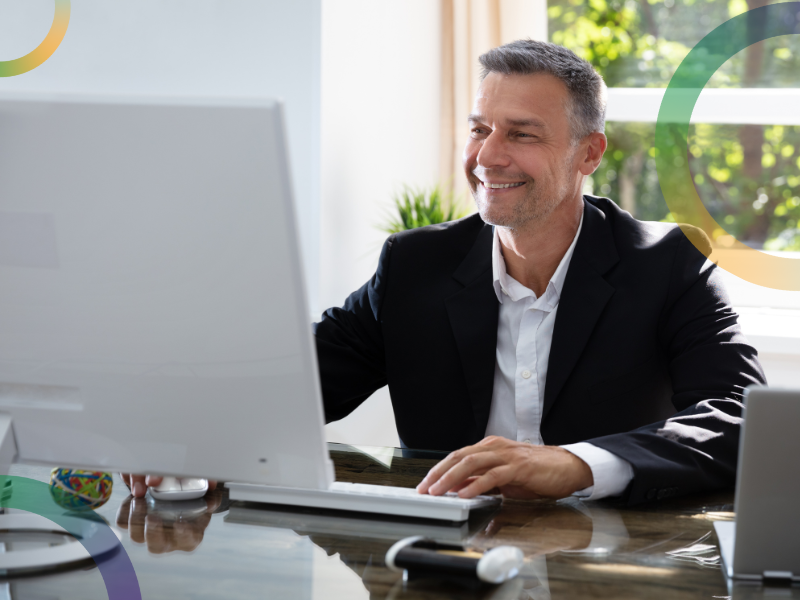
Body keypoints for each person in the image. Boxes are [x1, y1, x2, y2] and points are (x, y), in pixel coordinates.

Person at [125, 40, 765, 504]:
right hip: (439, 553)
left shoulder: (670, 263)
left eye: (521, 134)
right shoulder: (413, 265)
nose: (488, 155)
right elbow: (298, 379)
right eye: (480, 128)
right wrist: (193, 438)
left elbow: (740, 418)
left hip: (609, 556)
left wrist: (577, 464)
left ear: (588, 152)